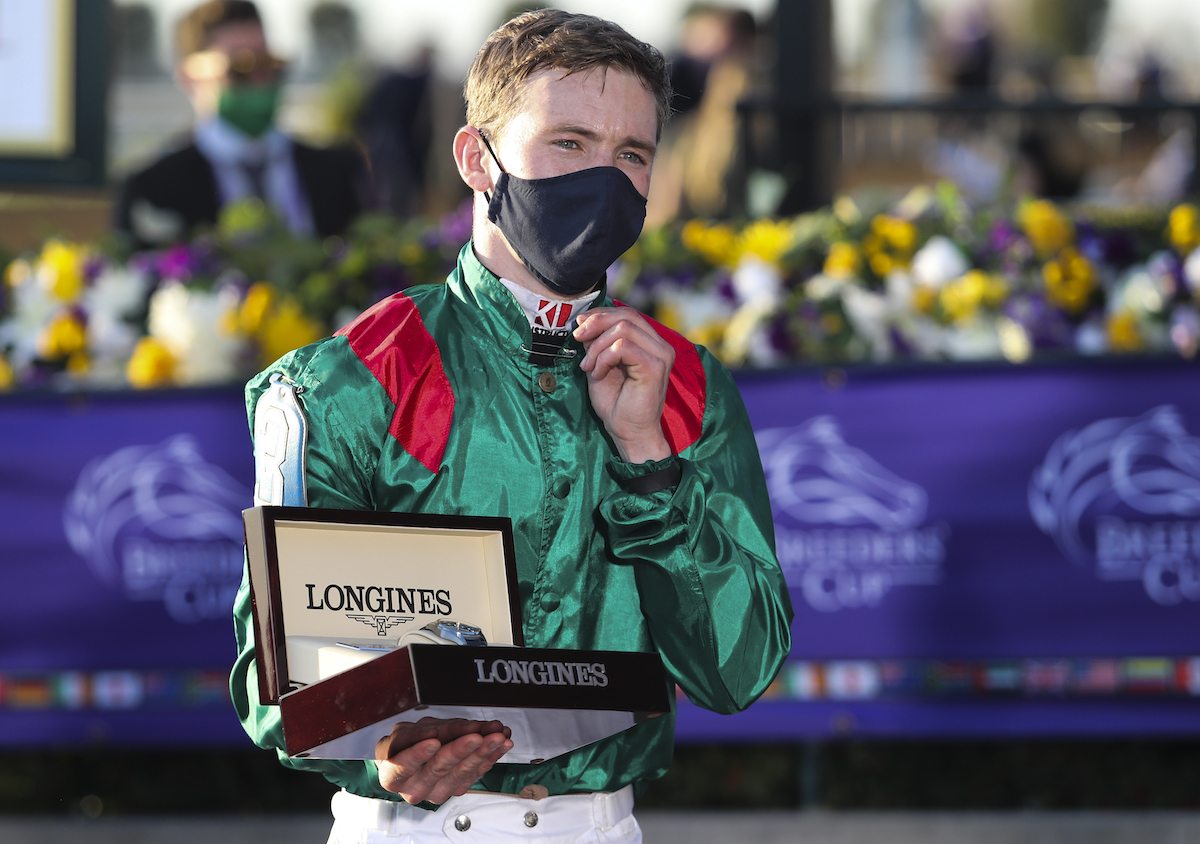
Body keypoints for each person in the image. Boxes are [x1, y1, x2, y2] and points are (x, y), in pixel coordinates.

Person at [230, 9, 793, 843]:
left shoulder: (688, 389)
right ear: (474, 157)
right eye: (568, 142)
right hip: (408, 828)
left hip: (603, 825)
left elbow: (738, 670)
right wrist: (380, 748)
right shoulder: (348, 382)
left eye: (631, 154)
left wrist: (648, 461)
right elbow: (274, 685)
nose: (603, 177)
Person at [114, 0, 367, 250]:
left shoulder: (340, 171)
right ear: (190, 78)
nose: (259, 81)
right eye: (239, 68)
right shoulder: (153, 188)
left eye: (268, 64)